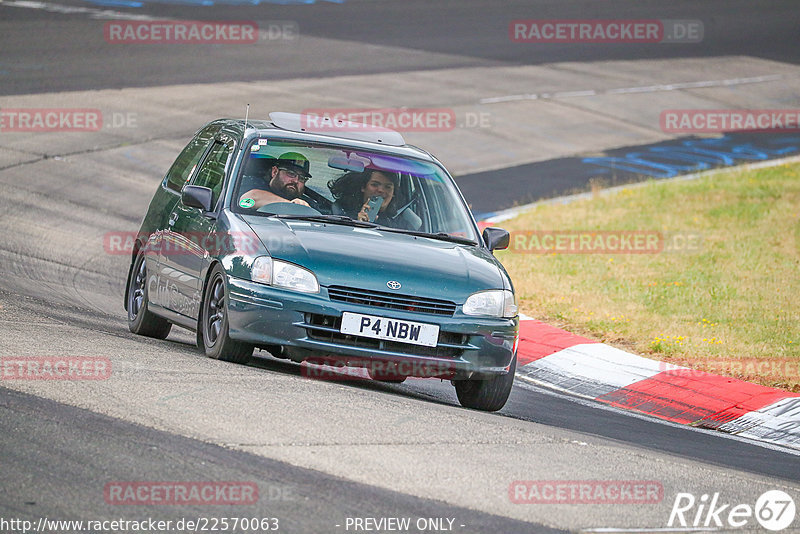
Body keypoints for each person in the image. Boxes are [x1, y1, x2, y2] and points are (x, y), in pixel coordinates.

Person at [328, 169, 406, 227]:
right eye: (374, 185)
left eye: (388, 187)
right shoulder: (343, 216)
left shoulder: (400, 224)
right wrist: (358, 223)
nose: (381, 190)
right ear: (363, 187)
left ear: (393, 193)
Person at [238, 152, 312, 209]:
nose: (296, 180)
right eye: (291, 173)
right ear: (275, 172)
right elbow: (250, 197)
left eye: (301, 178)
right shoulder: (251, 183)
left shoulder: (306, 203)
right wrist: (292, 205)